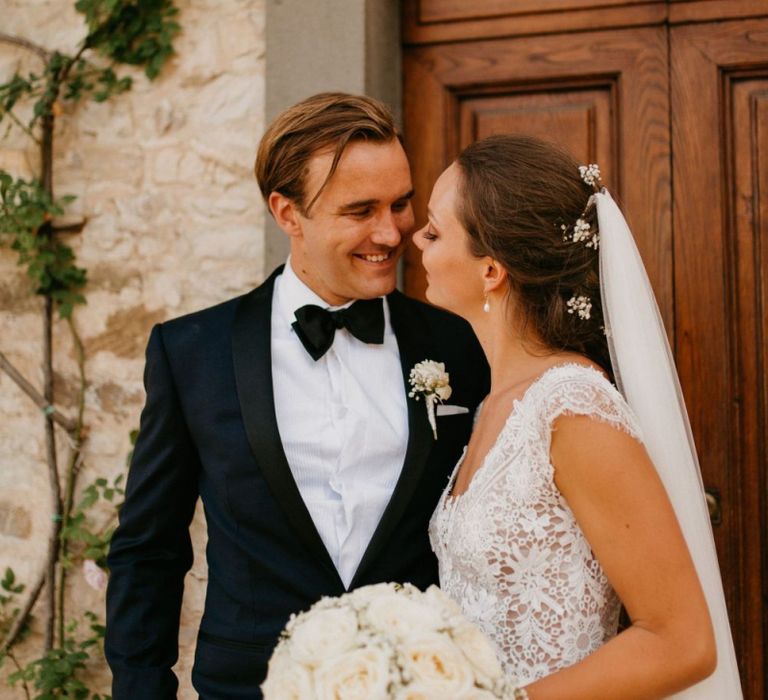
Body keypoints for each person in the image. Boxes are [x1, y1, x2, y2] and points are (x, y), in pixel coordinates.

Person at [104, 92, 489, 699]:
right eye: (360, 210)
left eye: (401, 203)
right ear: (287, 212)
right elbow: (148, 549)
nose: (390, 232)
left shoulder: (459, 342)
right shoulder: (191, 353)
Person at [417, 134, 742, 698]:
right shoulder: (497, 403)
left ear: (491, 270)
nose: (415, 239)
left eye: (434, 229)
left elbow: (683, 641)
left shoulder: (570, 407)